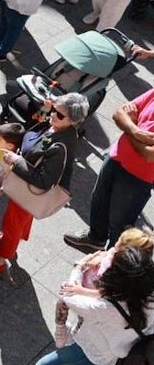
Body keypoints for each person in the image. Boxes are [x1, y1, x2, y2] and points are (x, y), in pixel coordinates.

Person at [25, 244, 154, 365]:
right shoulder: (148, 295)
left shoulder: (104, 308)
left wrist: (80, 267)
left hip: (95, 355)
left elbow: (69, 295)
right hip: (121, 356)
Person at [0, 93, 88, 274]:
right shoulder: (58, 126)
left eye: (60, 114)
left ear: (73, 121)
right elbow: (34, 127)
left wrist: (16, 161)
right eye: (55, 110)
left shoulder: (60, 146)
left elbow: (44, 181)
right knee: (18, 220)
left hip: (29, 188)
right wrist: (45, 109)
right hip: (27, 187)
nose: (53, 115)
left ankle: (1, 258)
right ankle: (11, 240)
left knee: (13, 222)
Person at [66, 88, 154, 253]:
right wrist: (135, 130)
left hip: (138, 177)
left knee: (120, 224)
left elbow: (149, 155)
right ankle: (95, 238)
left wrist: (129, 127)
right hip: (115, 158)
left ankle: (111, 260)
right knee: (99, 200)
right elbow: (118, 114)